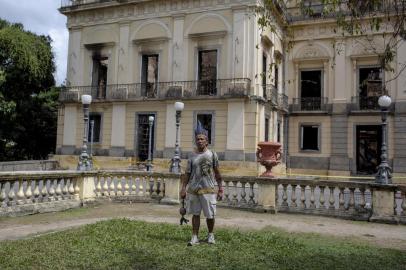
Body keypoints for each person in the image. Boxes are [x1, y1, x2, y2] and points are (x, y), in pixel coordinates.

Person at [180, 122, 223, 246]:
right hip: (194, 189)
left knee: (210, 214)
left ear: (207, 141)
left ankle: (211, 235)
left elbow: (218, 173)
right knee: (195, 214)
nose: (199, 141)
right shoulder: (192, 156)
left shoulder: (212, 155)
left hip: (208, 189)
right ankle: (194, 237)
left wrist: (220, 188)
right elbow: (187, 174)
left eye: (202, 139)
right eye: (197, 139)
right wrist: (183, 188)